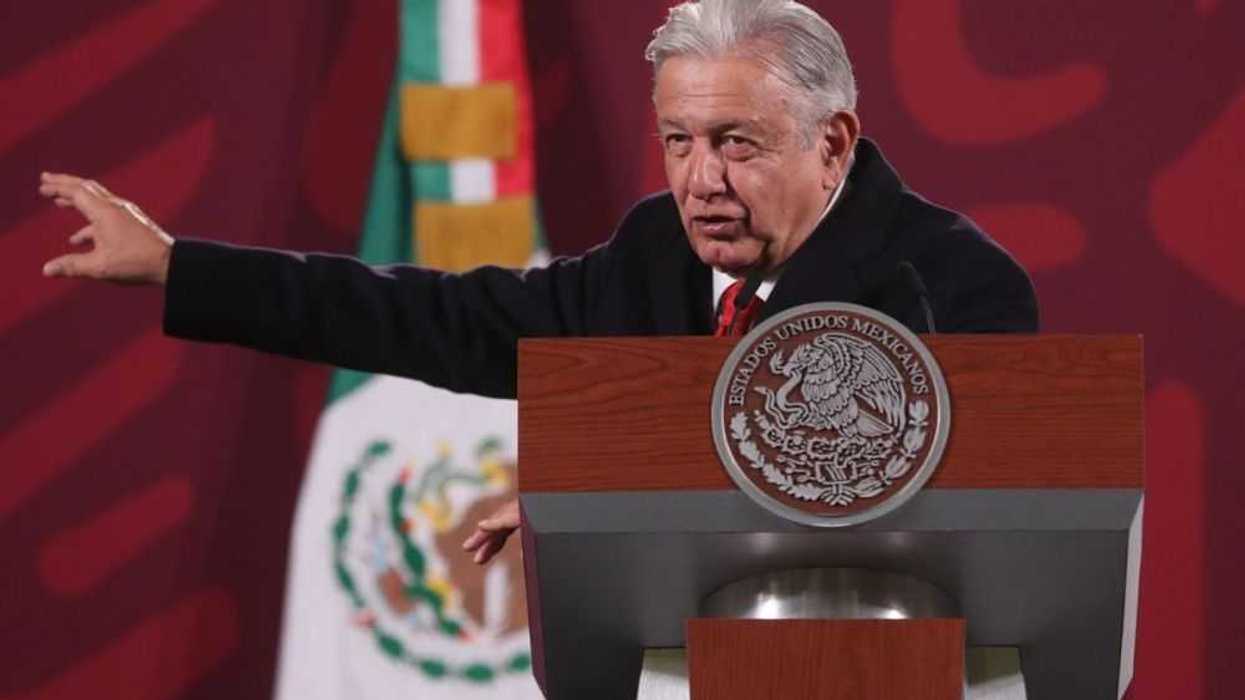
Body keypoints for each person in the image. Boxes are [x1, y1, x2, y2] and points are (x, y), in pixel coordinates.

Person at [37, 0, 1037, 566]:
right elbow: (437, 318)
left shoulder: (953, 284)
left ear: (834, 145)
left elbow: (921, 498)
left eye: (737, 144)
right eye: (678, 142)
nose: (700, 182)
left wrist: (616, 499)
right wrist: (181, 266)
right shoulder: (658, 254)